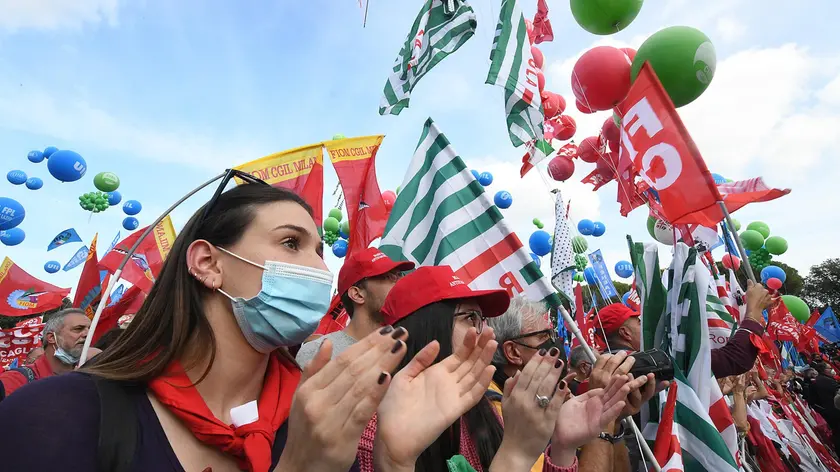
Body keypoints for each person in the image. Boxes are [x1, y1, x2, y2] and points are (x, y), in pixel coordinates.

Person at [0, 178, 497, 472]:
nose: (318, 269)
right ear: (207, 263)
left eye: (320, 251)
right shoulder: (59, 416)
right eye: (290, 243)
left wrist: (394, 463)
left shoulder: (315, 419)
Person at [358, 266, 638, 472]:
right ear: (427, 328)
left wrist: (564, 449)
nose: (487, 334)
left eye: (482, 320)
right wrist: (516, 453)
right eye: (470, 318)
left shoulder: (485, 409)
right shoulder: (374, 431)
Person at [597, 280, 773, 378]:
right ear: (625, 333)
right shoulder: (634, 364)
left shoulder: (606, 365)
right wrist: (753, 313)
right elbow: (734, 359)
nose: (645, 327)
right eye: (639, 323)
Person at [296, 247, 414, 367]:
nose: (400, 282)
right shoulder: (318, 353)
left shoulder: (406, 350)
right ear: (357, 295)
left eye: (399, 275)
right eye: (389, 277)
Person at [0, 308, 90, 400]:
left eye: (90, 329)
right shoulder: (14, 380)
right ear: (52, 337)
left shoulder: (90, 382)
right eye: (78, 329)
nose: (87, 334)